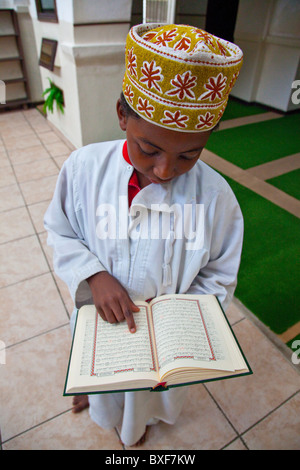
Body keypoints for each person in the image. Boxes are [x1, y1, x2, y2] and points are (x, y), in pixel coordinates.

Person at [44, 23, 244, 447]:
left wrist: (185, 316)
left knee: (151, 401)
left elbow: (220, 274)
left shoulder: (216, 198)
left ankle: (138, 427)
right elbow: (60, 230)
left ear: (207, 139)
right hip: (106, 325)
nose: (165, 170)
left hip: (168, 345)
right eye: (148, 148)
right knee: (102, 380)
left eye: (188, 154)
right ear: (122, 115)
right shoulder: (83, 170)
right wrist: (94, 275)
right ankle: (95, 396)